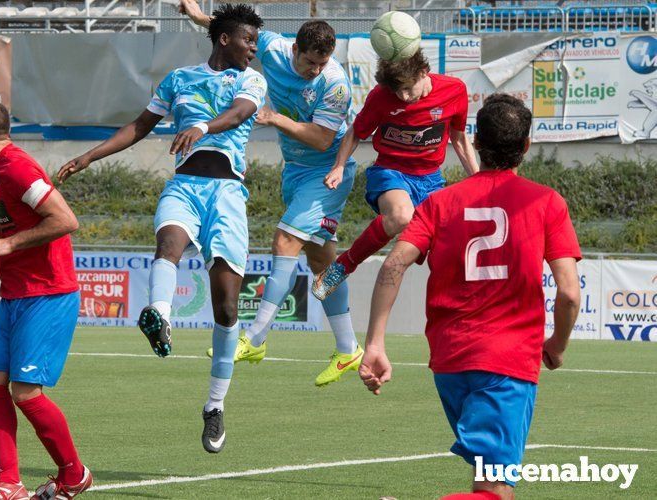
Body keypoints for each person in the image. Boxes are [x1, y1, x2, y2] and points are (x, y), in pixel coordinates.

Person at [57, 3, 267, 453]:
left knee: (227, 309)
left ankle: (214, 406)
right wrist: (89, 156)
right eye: (248, 40)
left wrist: (203, 127)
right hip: (186, 186)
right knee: (168, 243)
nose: (254, 48)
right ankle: (161, 318)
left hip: (229, 195)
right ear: (225, 39)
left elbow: (242, 111)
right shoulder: (178, 79)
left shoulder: (251, 79)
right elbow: (139, 126)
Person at [358, 94, 582, 499]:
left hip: (450, 362)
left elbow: (393, 265)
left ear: (475, 142)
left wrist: (375, 342)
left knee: (490, 484)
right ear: (526, 146)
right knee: (494, 492)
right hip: (506, 363)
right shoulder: (546, 202)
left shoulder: (440, 203)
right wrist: (558, 344)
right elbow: (568, 293)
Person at [179, 0, 362, 386]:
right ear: (294, 50)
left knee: (284, 242)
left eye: (322, 63)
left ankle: (256, 336)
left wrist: (275, 117)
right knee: (321, 263)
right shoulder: (275, 48)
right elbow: (238, 34)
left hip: (327, 172)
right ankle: (348, 349)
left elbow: (323, 139)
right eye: (310, 62)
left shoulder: (334, 83)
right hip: (295, 171)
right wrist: (198, 16)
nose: (316, 70)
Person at [0, 99, 91, 500]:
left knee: (25, 392)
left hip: (47, 293)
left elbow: (65, 219)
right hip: (16, 293)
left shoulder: (15, 167)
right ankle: (9, 484)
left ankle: (75, 474)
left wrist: (5, 243)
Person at [313, 52, 479, 300]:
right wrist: (338, 166)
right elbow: (355, 132)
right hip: (390, 173)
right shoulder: (381, 97)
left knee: (446, 253)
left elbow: (459, 139)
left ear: (423, 72)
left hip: (431, 179)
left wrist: (480, 180)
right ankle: (343, 266)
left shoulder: (454, 91)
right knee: (401, 215)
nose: (402, 96)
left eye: (407, 88)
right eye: (396, 91)